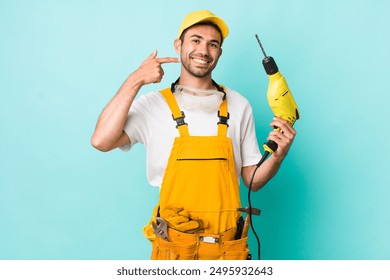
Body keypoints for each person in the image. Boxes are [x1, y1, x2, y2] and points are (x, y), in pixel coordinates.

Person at [91, 10, 296, 260]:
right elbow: (101, 141)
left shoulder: (239, 105)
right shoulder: (152, 105)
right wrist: (136, 80)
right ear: (179, 45)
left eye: (213, 44)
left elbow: (253, 181)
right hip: (175, 247)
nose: (203, 50)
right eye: (196, 40)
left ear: (219, 52)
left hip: (227, 249)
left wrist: (278, 156)